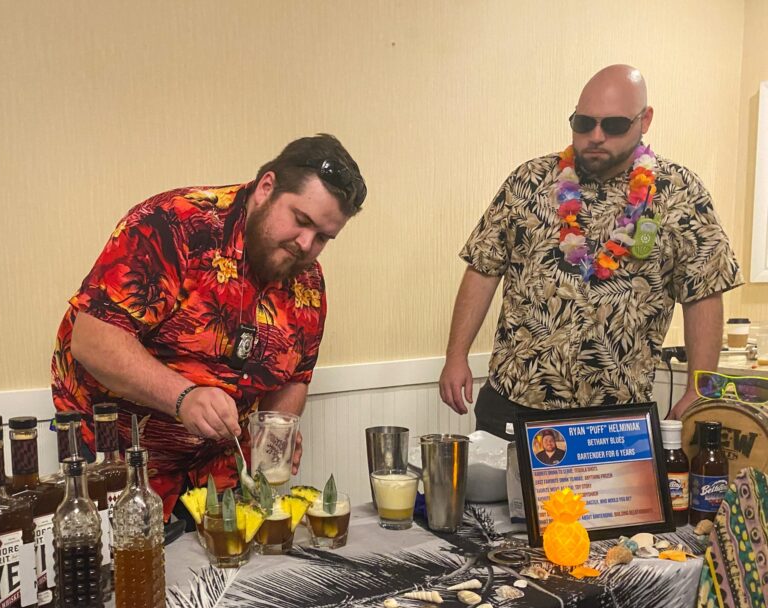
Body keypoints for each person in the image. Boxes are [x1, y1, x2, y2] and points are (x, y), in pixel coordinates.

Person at [52, 134, 366, 520]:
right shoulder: (174, 224)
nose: (306, 244)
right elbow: (93, 339)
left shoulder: (309, 282)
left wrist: (276, 431)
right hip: (115, 462)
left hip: (218, 471)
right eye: (301, 221)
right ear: (266, 187)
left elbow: (294, 378)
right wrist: (183, 397)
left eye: (323, 238)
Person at [439, 65, 742, 438]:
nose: (596, 136)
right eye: (583, 123)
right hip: (515, 401)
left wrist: (699, 387)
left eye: (613, 125)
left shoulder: (680, 193)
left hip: (618, 417)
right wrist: (456, 356)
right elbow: (482, 268)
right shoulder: (529, 181)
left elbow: (704, 292)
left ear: (645, 120)